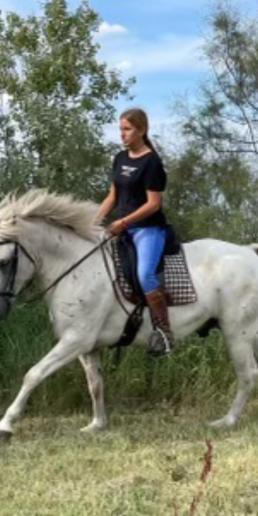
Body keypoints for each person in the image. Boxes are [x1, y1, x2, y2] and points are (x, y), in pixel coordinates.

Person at [97, 107, 174, 355]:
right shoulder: (120, 158)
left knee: (145, 275)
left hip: (147, 229)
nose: (122, 135)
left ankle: (164, 333)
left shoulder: (152, 162)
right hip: (121, 229)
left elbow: (154, 204)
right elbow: (114, 195)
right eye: (121, 129)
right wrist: (94, 220)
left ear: (141, 130)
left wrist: (124, 223)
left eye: (127, 129)